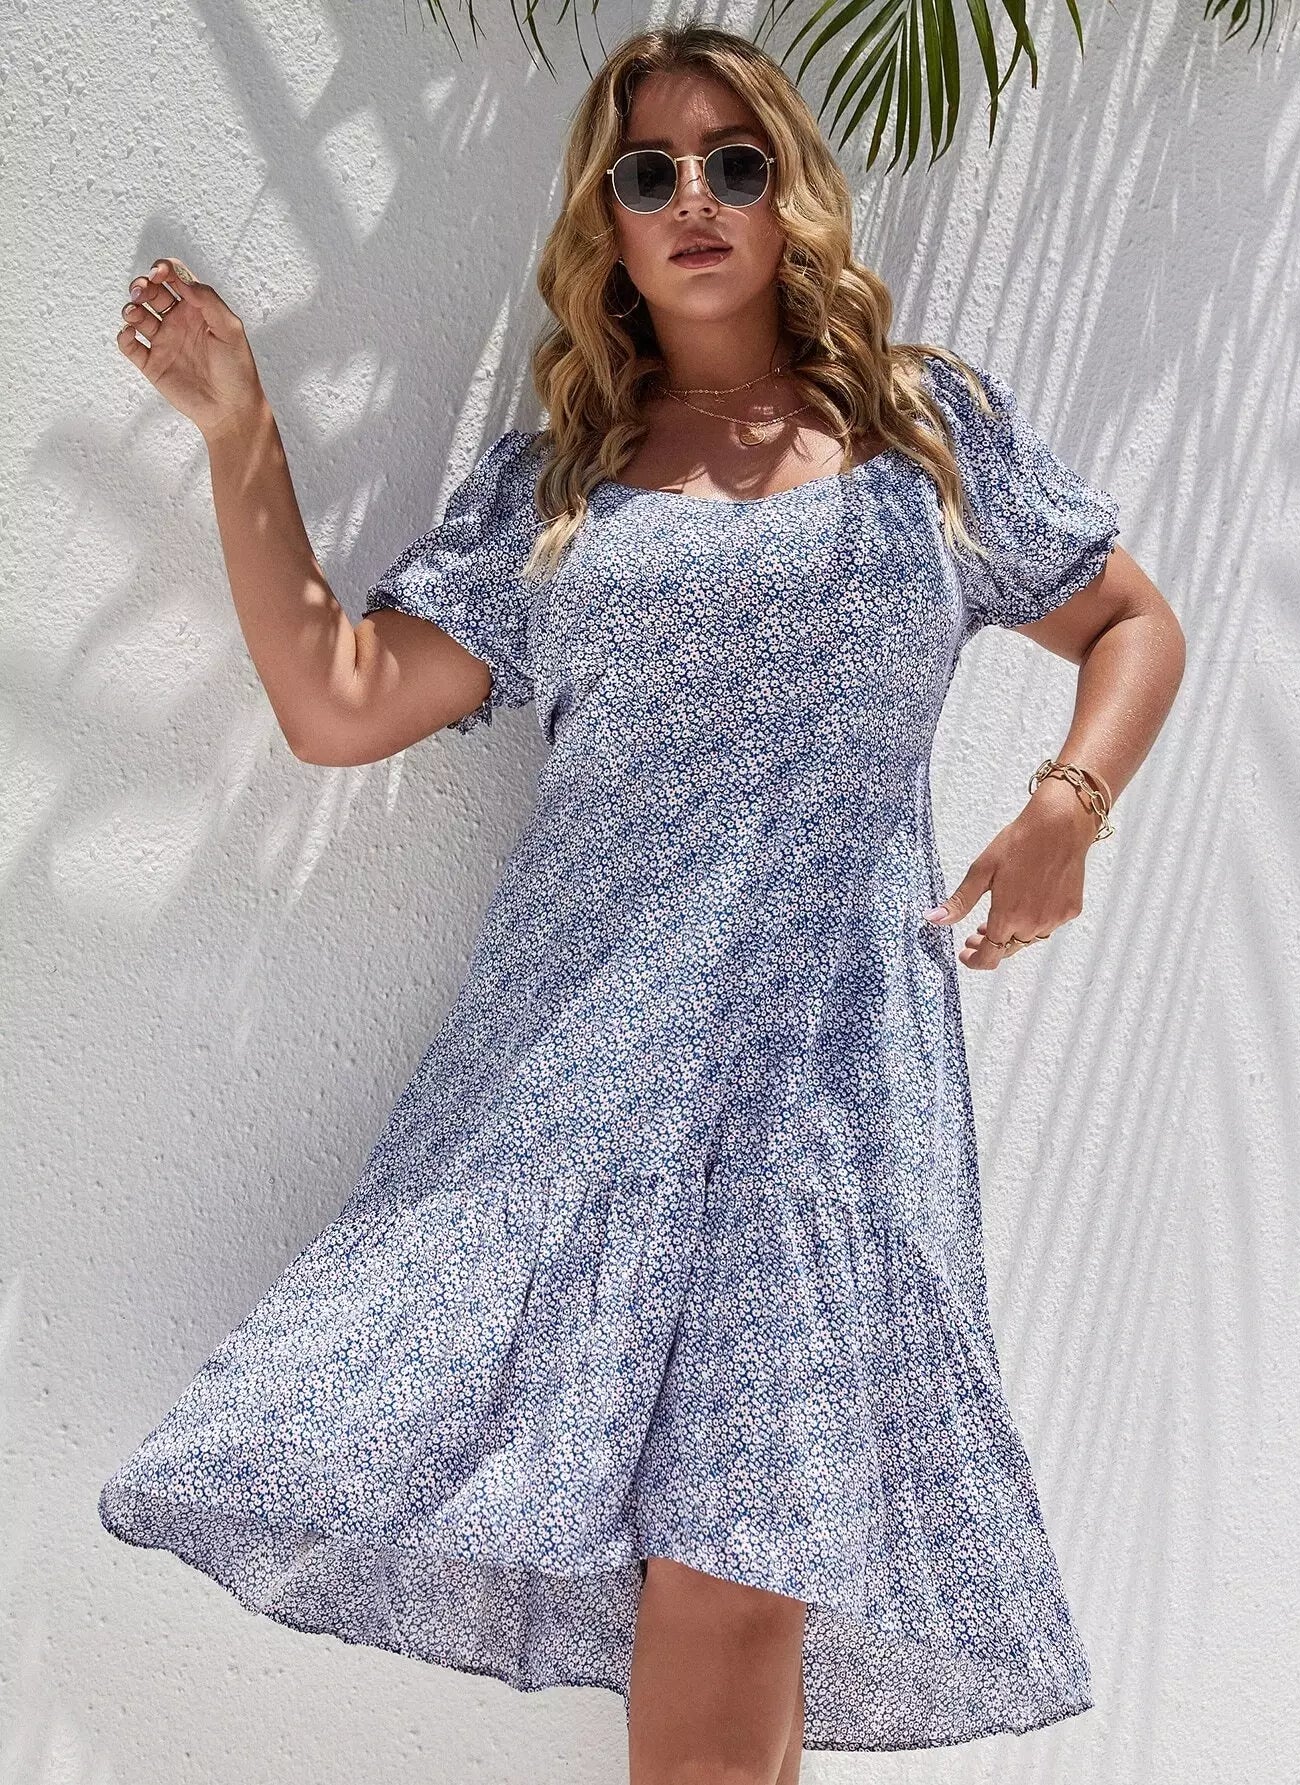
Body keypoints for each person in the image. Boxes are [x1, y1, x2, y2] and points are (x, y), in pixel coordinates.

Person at [102, 22, 1184, 1784]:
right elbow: (339, 698)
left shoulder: (925, 434)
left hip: (833, 1093)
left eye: (734, 164)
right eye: (650, 170)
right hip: (584, 1080)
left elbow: (1132, 619)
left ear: (789, 197)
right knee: (722, 1586)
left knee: (743, 1578)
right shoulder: (560, 486)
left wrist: (1069, 806)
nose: (696, 197)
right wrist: (243, 426)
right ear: (603, 218)